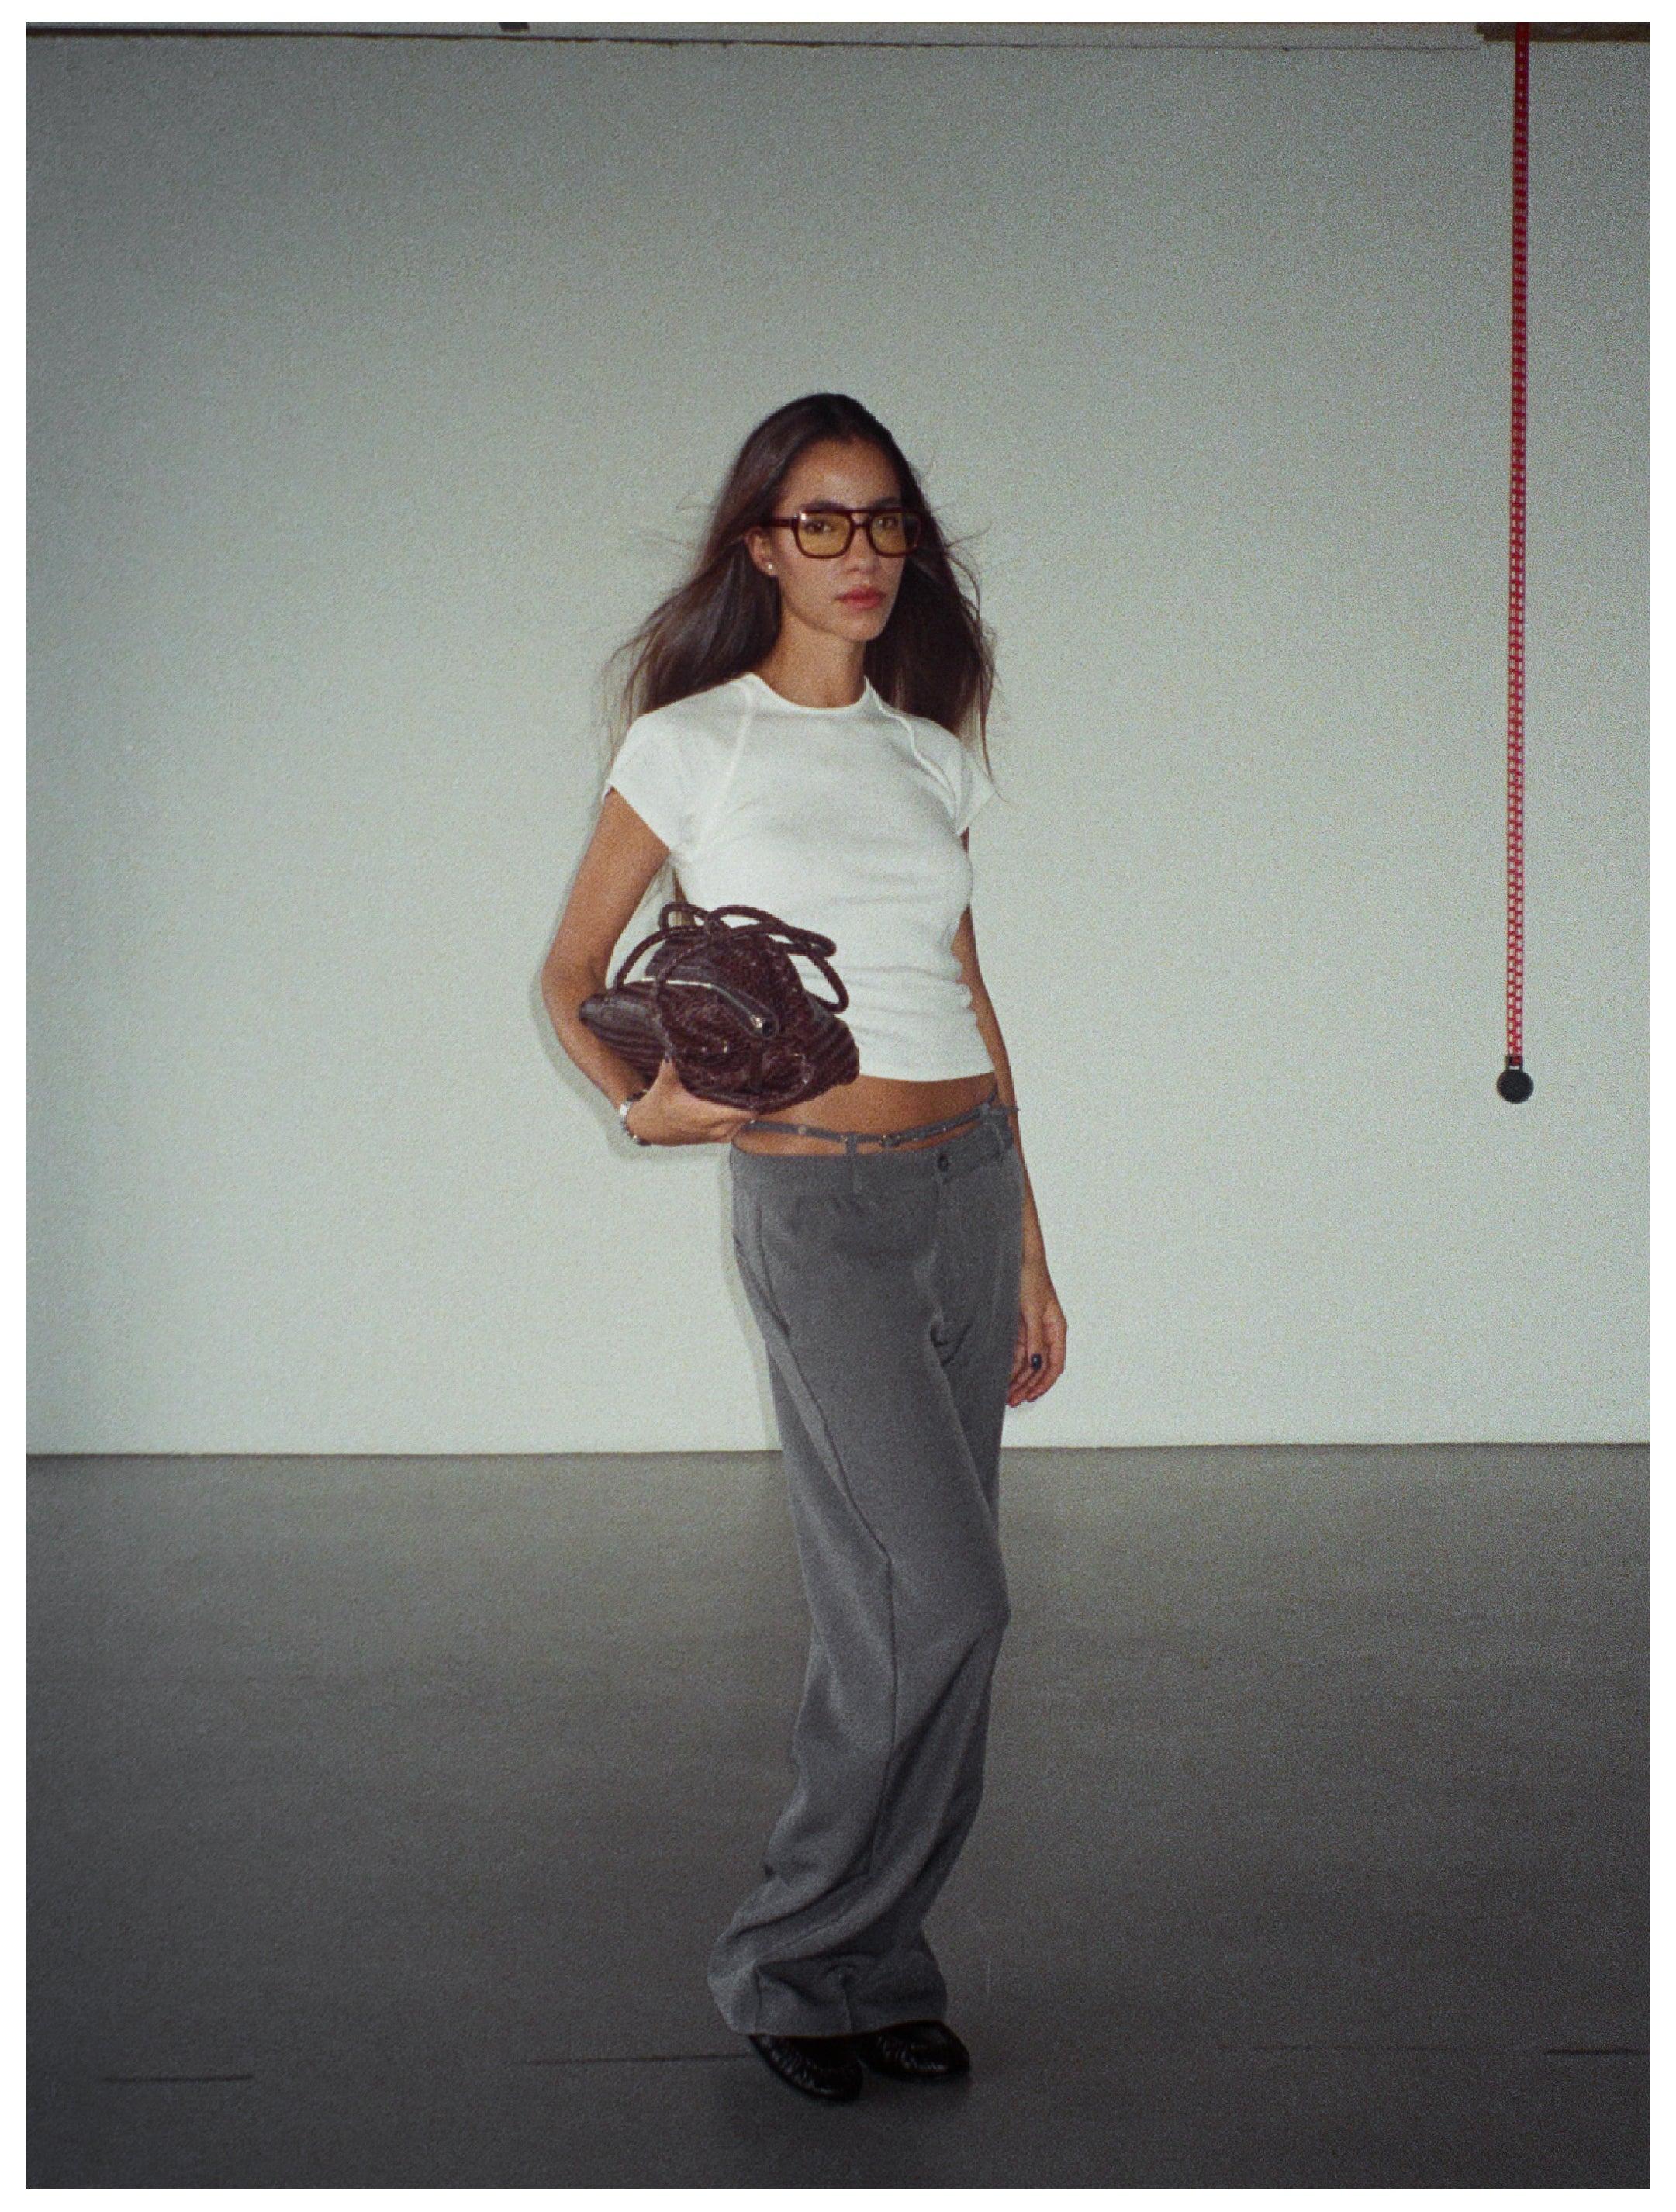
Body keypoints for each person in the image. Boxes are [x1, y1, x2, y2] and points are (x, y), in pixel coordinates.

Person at [541, 392, 1067, 2104]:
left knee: (921, 1618)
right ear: (762, 544)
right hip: (819, 1209)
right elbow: (570, 973)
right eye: (822, 520)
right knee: (938, 1599)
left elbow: (969, 995)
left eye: (886, 518)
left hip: (964, 1186)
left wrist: (1033, 1250)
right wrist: (649, 1109)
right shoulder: (692, 742)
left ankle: (872, 1965)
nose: (862, 551)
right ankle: (789, 1959)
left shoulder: (929, 754)